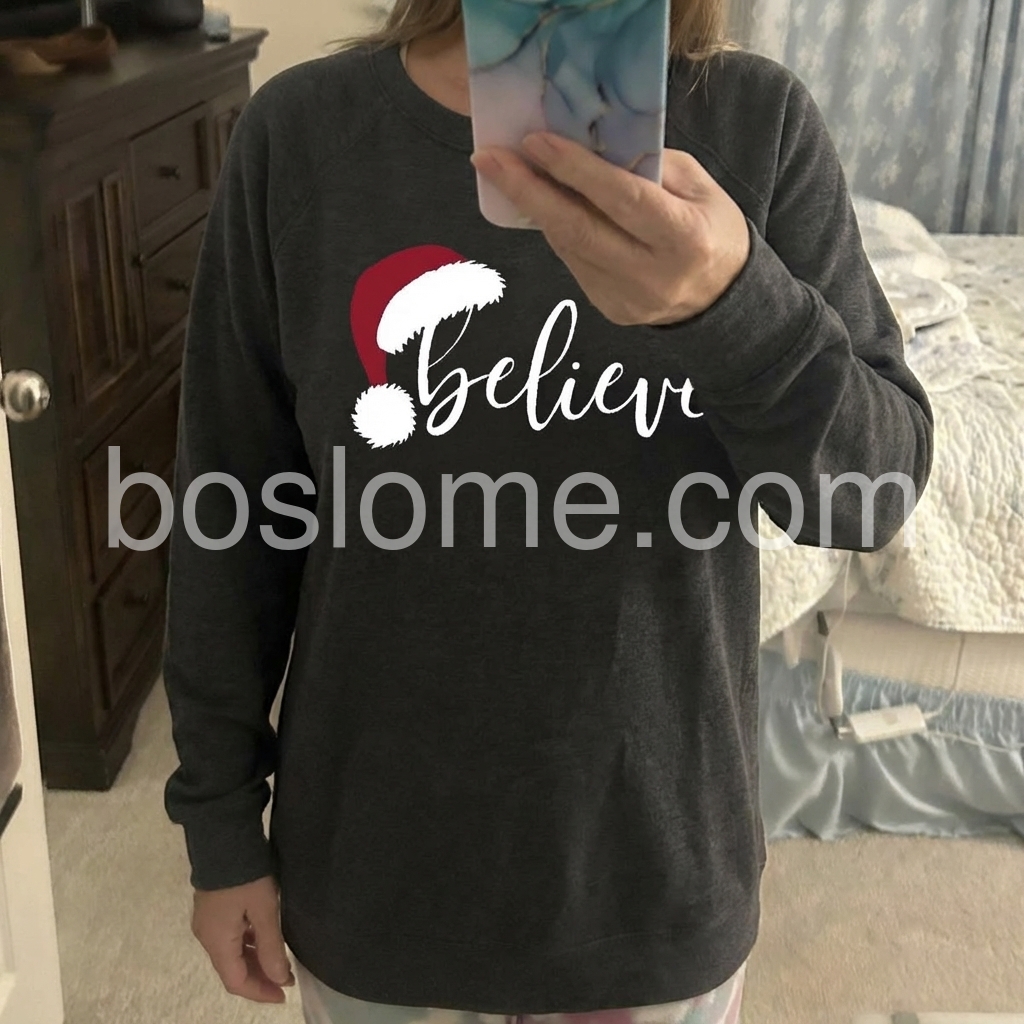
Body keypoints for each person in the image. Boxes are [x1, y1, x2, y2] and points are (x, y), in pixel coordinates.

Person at [162, 1, 934, 1022]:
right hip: (379, 874)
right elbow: (230, 511)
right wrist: (219, 822)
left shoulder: (757, 124)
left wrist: (731, 302)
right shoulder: (302, 136)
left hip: (653, 881)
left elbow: (874, 491)